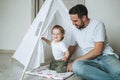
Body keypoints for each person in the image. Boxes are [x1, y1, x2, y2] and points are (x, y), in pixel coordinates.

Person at [67, 4, 120, 80]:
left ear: (84, 18)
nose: (73, 23)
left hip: (105, 56)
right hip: (88, 60)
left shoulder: (97, 24)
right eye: (72, 21)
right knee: (77, 67)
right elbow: (72, 46)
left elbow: (98, 51)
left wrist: (76, 60)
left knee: (118, 73)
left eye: (75, 21)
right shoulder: (74, 29)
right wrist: (65, 58)